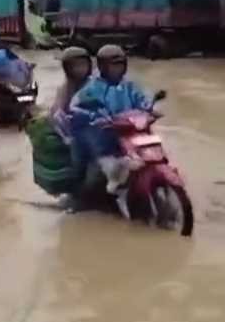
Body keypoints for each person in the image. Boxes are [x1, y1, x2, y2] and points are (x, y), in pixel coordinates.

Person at [69, 44, 156, 218]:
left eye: (120, 65)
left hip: (130, 132)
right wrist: (92, 114)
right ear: (102, 67)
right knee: (98, 172)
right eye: (113, 65)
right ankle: (82, 201)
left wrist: (149, 107)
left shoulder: (129, 85)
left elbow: (142, 99)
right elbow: (75, 105)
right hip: (104, 135)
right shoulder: (93, 87)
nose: (117, 69)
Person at [49, 46, 94, 210]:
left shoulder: (97, 82)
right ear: (68, 69)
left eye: (83, 65)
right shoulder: (66, 88)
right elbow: (57, 112)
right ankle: (77, 197)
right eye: (75, 66)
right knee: (79, 162)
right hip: (78, 133)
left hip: (103, 128)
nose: (80, 69)